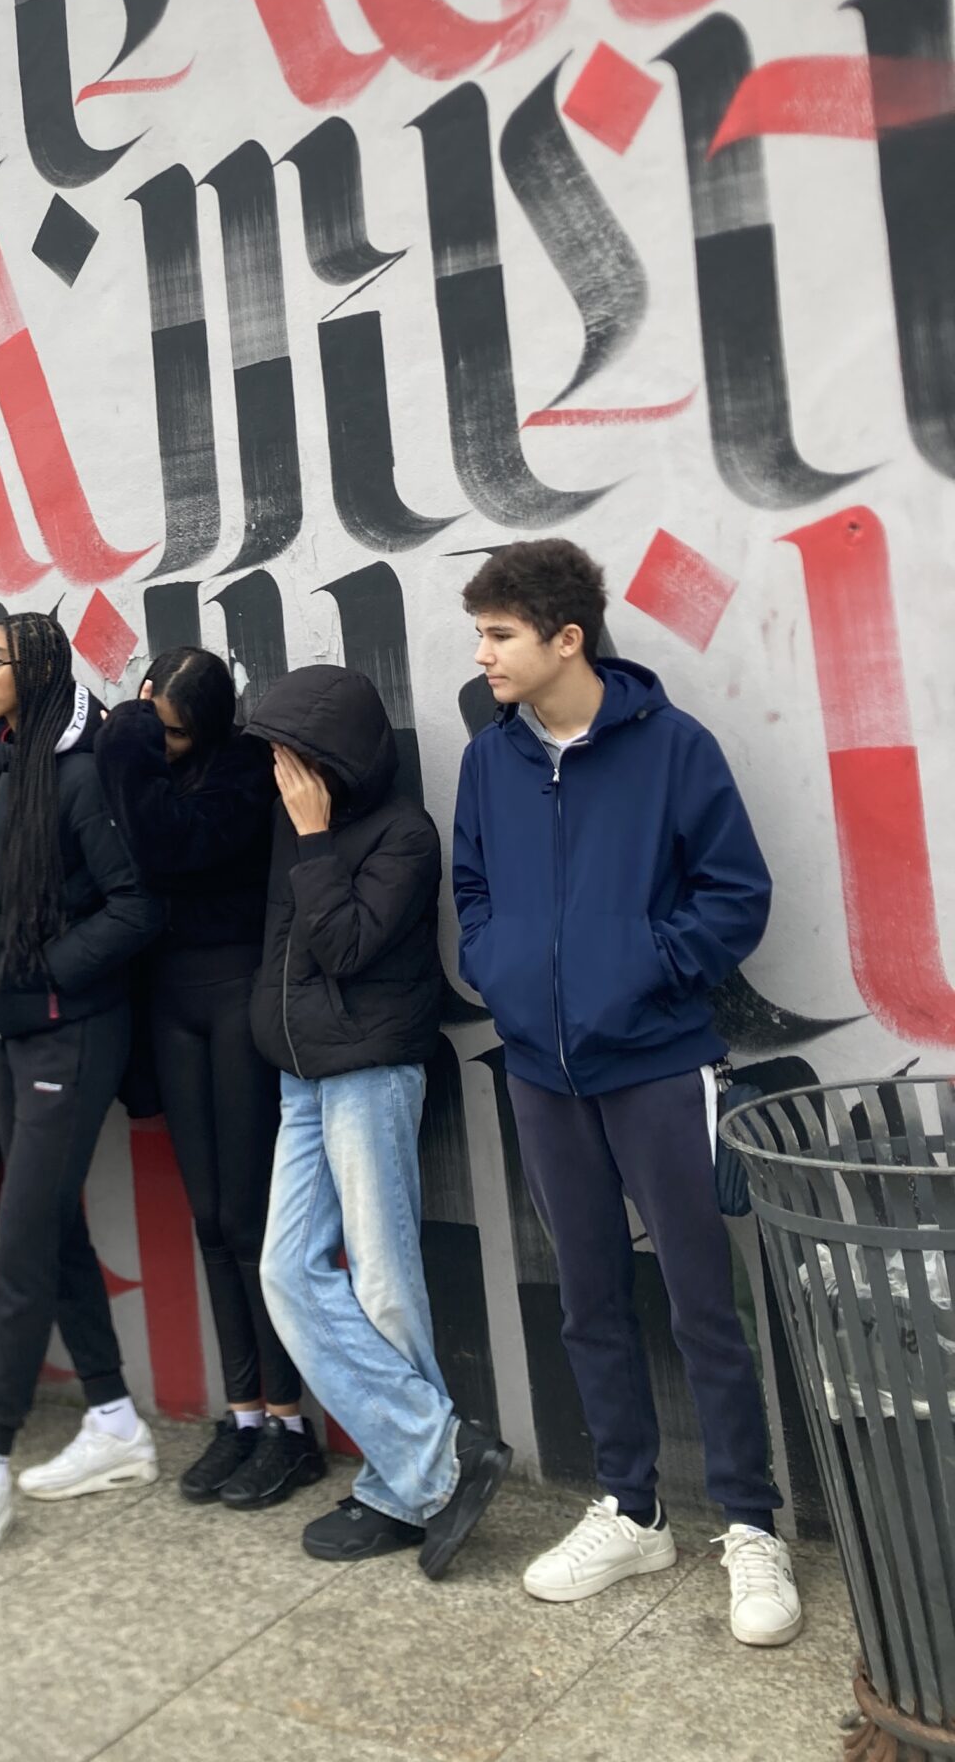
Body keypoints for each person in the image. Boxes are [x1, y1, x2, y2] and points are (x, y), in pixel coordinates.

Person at [453, 538, 801, 1647]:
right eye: (480, 634)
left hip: (656, 1064)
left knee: (704, 1304)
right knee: (589, 1298)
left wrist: (644, 967)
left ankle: (751, 1524)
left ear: (567, 639)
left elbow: (735, 894)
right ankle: (632, 1509)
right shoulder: (490, 760)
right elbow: (472, 887)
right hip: (540, 1071)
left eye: (500, 634)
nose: (483, 655)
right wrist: (503, 967)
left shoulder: (674, 748)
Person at [249, 662, 511, 1579]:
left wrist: (314, 838)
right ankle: (437, 1460)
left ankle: (406, 1487)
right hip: (301, 1077)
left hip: (369, 1071)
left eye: (293, 752)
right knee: (287, 1272)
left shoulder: (404, 833)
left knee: (384, 1281)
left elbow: (346, 945)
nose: (279, 768)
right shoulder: (287, 826)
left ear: (336, 757)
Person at [0, 612, 165, 1576]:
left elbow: (135, 907)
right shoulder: (12, 764)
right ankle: (115, 1422)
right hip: (9, 1033)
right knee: (51, 1232)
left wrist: (50, 978)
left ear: (39, 670)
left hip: (68, 1031)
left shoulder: (79, 773)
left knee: (20, 1249)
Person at [96, 647, 318, 1509]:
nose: (166, 746)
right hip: (172, 1002)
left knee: (252, 1219)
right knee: (211, 1220)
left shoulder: (243, 773)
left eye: (178, 734)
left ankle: (291, 1425)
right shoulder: (148, 763)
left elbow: (167, 846)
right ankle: (246, 1413)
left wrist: (128, 739)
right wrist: (139, 743)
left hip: (234, 996)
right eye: (158, 727)